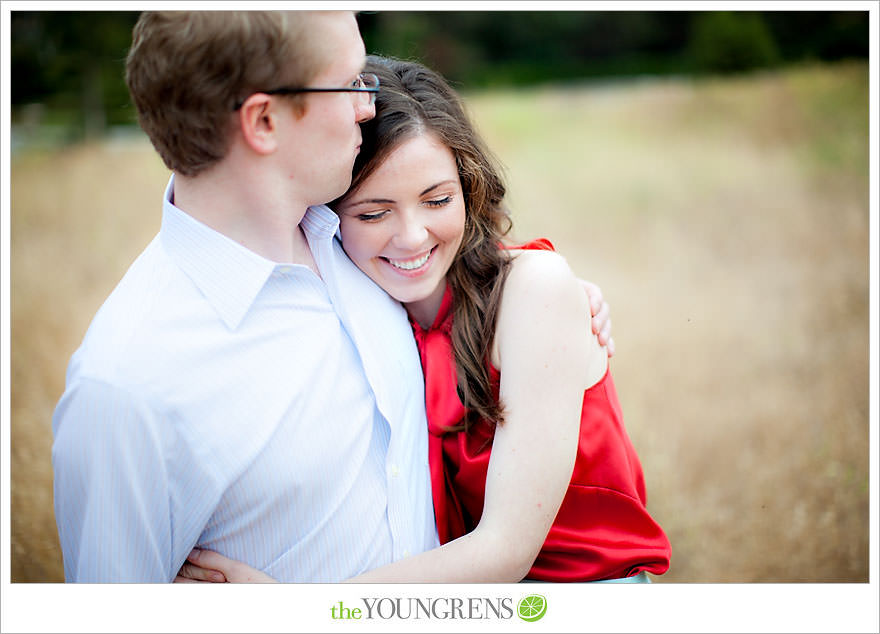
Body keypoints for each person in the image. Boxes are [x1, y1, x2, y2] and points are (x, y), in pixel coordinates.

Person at [52, 13, 612, 583]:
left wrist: (555, 297)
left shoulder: (349, 239)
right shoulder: (126, 387)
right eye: (348, 83)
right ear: (264, 120)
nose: (367, 106)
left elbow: (480, 284)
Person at [176, 56, 670, 584]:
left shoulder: (533, 291)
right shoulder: (359, 307)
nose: (412, 237)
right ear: (326, 217)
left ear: (469, 185)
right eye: (373, 213)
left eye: (437, 200)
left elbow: (505, 551)